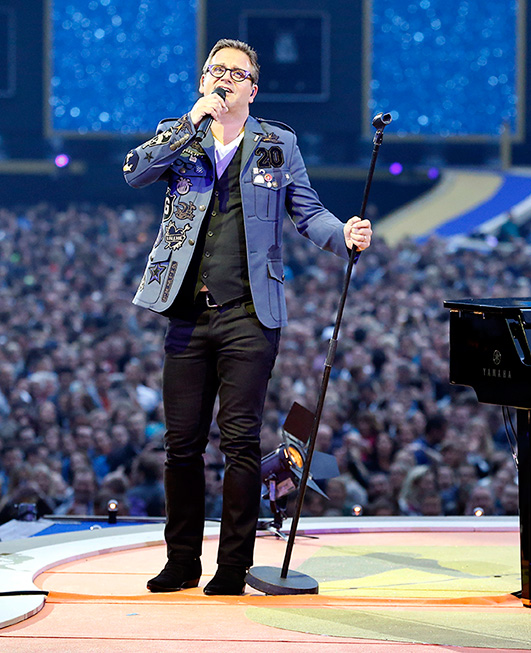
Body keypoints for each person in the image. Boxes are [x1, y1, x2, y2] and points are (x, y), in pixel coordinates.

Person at [123, 39, 372, 595]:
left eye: (237, 73)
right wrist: (191, 122)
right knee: (181, 443)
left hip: (249, 315)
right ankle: (182, 559)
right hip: (186, 312)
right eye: (216, 71)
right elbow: (135, 172)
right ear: (203, 81)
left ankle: (232, 567)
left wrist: (345, 236)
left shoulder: (277, 144)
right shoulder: (179, 134)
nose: (225, 79)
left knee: (239, 442)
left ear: (253, 89)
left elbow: (308, 213)